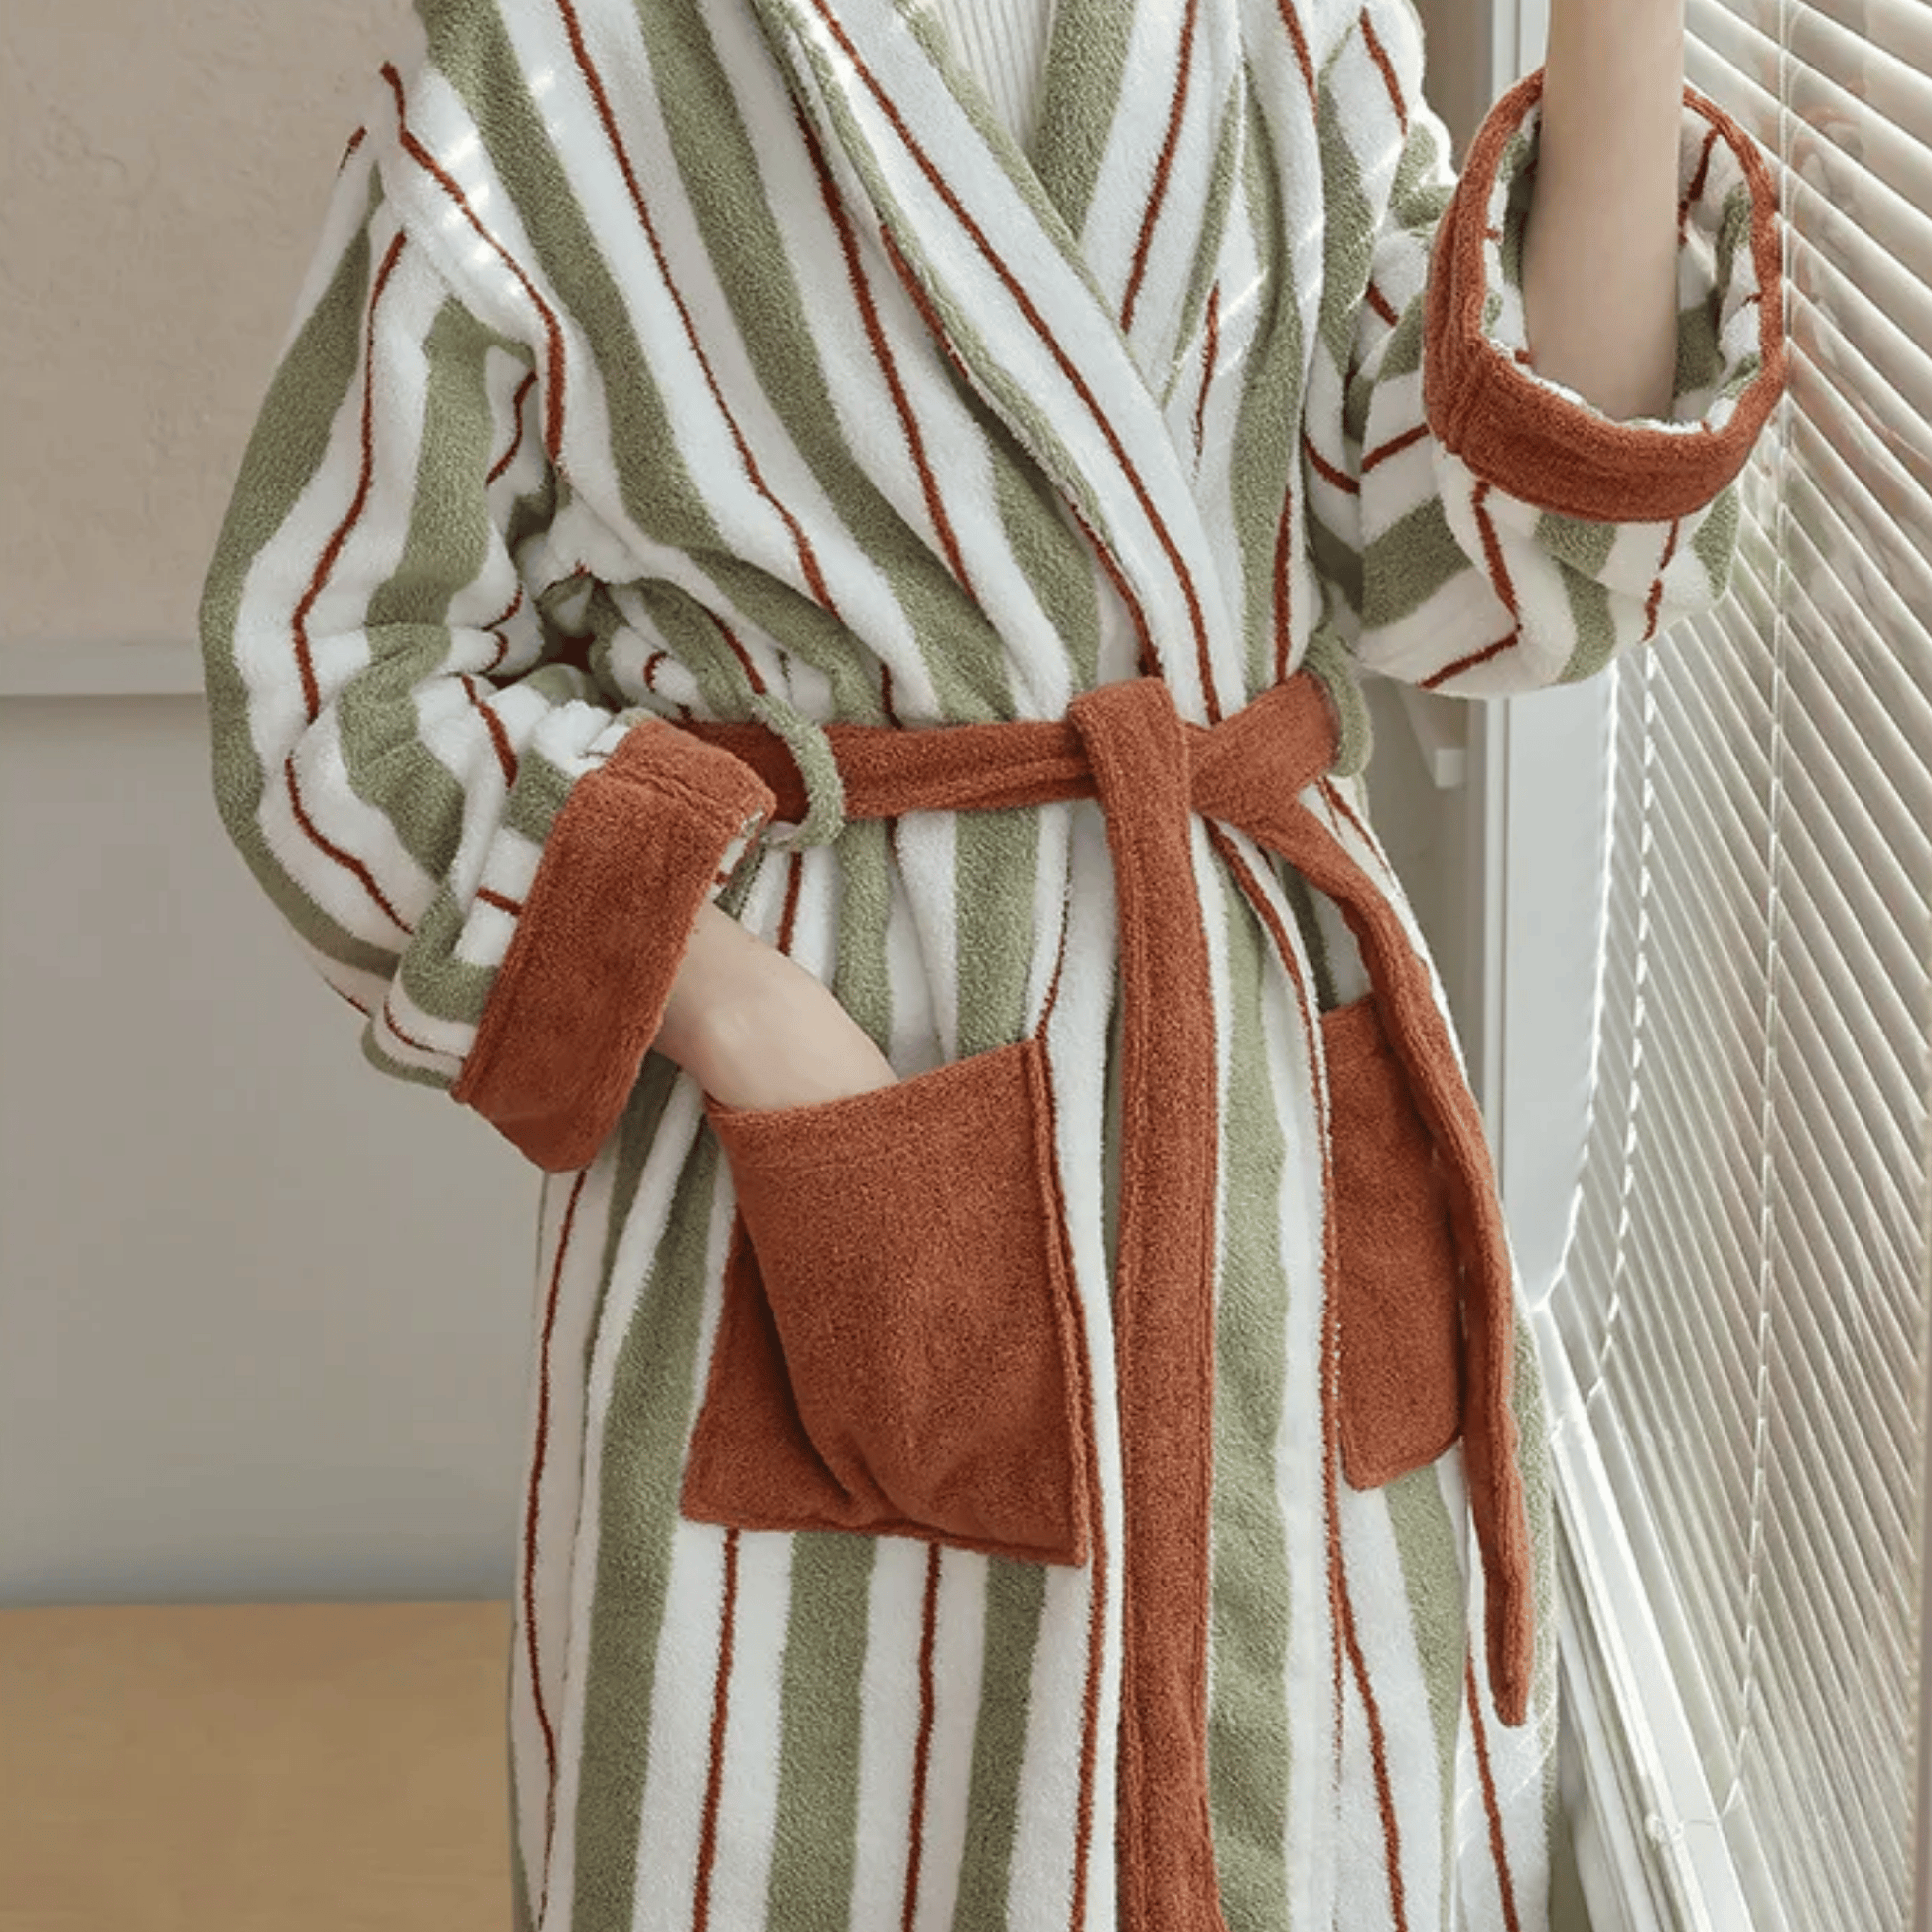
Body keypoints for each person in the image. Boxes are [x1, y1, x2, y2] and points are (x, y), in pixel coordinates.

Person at [198, 0, 1784, 1921]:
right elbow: (327, 681)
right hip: (816, 1112)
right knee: (798, 1817)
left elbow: (1495, 557)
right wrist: (730, 999)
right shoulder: (553, 54)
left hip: (1264, 1074)